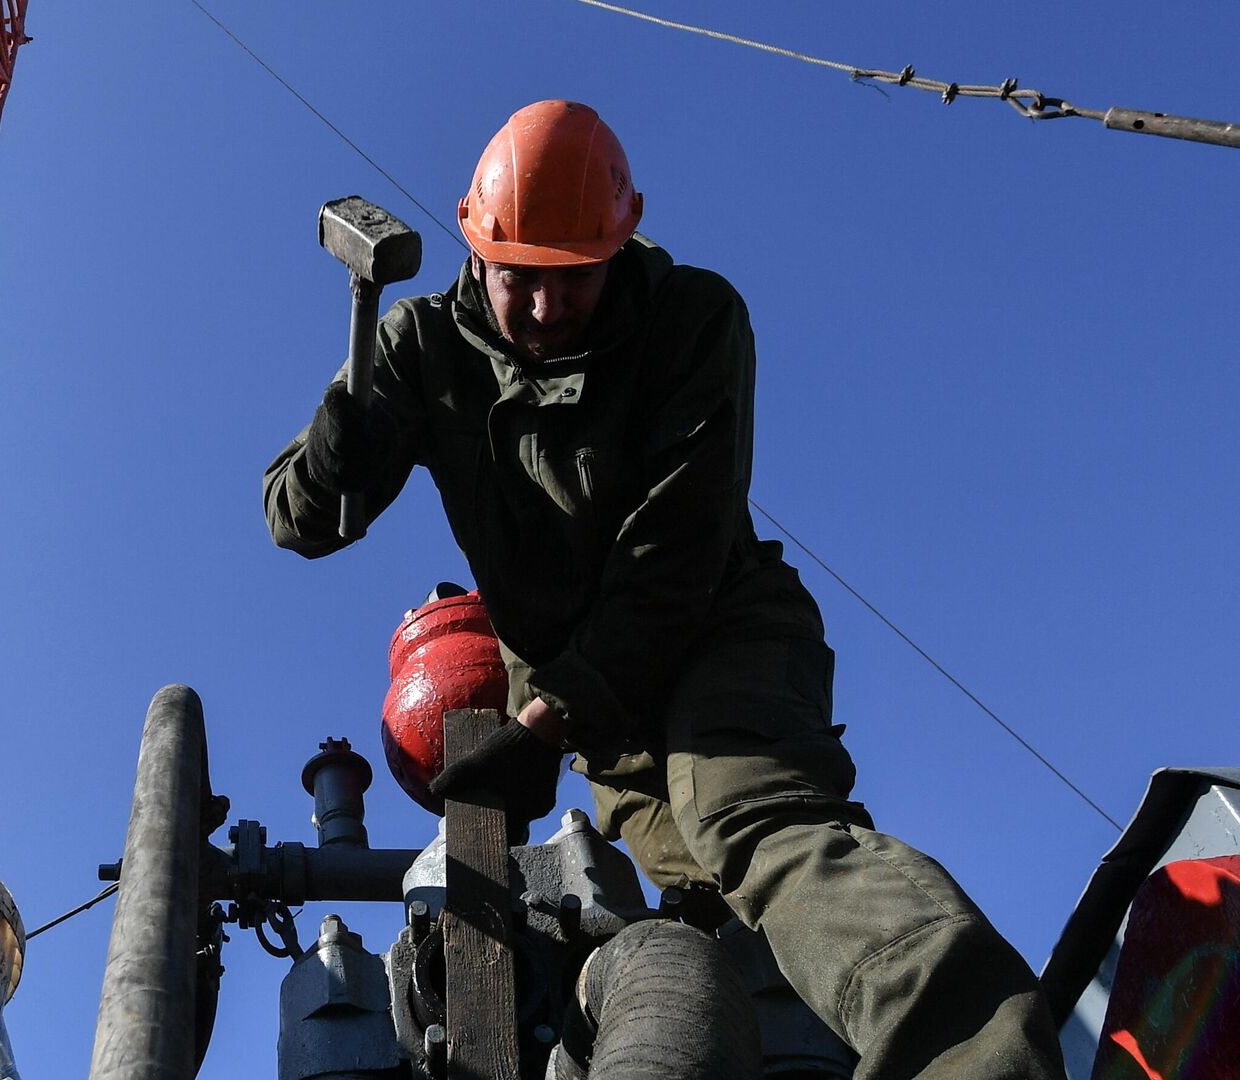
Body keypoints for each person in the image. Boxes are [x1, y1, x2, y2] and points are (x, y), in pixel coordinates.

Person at [264, 99, 1064, 1079]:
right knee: (702, 915)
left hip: (716, 631)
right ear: (479, 251)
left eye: (576, 279)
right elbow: (299, 524)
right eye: (524, 281)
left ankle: (977, 1054)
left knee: (753, 821)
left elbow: (670, 563)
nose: (549, 310)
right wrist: (328, 461)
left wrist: (545, 721)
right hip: (586, 705)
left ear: (619, 246)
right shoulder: (419, 347)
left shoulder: (693, 320)